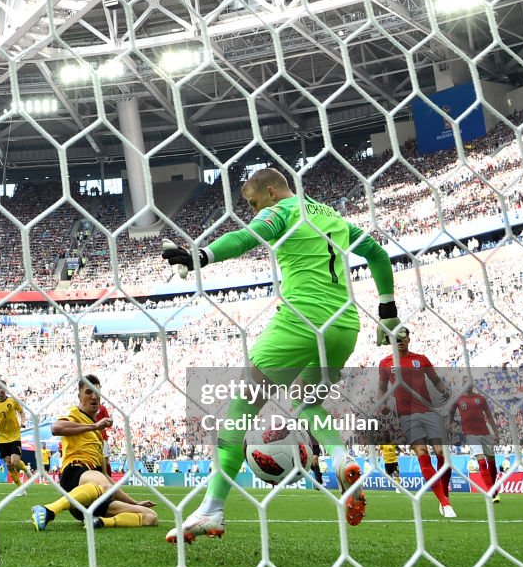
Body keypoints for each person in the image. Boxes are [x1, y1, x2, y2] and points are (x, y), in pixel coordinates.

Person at [161, 168, 398, 542]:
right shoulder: (333, 217)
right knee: (308, 404)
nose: (254, 210)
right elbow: (377, 253)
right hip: (343, 326)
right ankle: (341, 459)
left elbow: (245, 238)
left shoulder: (283, 211)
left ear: (271, 192)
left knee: (240, 408)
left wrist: (201, 256)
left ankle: (213, 509)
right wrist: (388, 312)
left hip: (301, 320)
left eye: (254, 203)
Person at [31, 375, 158, 531]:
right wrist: (94, 427)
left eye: (97, 392)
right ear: (79, 396)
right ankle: (49, 509)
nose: (94, 396)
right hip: (75, 475)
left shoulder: (97, 435)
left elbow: (108, 483)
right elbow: (56, 428)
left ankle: (99, 522)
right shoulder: (75, 414)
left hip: (93, 499)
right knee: (101, 483)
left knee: (151, 516)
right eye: (88, 392)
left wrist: (134, 503)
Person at [377, 327, 455, 518]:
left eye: (403, 336)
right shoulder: (385, 363)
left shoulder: (421, 359)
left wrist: (444, 391)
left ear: (409, 339)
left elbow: (436, 381)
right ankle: (444, 503)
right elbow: (381, 389)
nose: (400, 340)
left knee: (441, 454)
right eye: (396, 337)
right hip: (407, 416)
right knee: (422, 453)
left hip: (429, 411)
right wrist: (382, 404)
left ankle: (444, 494)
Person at [452, 385, 500, 503]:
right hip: (470, 435)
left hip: (485, 433)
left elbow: (489, 416)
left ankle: (493, 489)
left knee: (492, 463)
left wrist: (496, 433)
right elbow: (450, 415)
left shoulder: (481, 398)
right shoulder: (458, 399)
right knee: (482, 463)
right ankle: (491, 493)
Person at [0, 384, 29, 494]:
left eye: (3, 388)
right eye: (0, 387)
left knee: (15, 463)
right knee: (9, 464)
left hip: (14, 435)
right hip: (2, 438)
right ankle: (20, 489)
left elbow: (21, 412)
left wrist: (23, 422)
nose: (2, 390)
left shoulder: (12, 401)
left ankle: (25, 469)